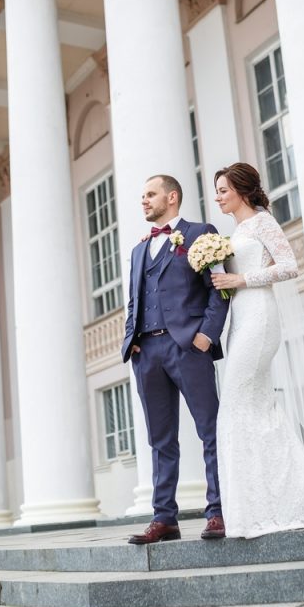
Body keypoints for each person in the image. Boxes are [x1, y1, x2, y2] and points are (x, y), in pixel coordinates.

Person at [210, 163, 304, 538]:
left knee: (238, 405)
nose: (218, 196)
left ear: (241, 189)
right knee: (251, 407)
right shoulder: (237, 230)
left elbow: (289, 266)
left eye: (223, 189)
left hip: (260, 316)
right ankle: (264, 502)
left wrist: (242, 278)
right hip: (240, 320)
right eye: (217, 191)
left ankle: (301, 496)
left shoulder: (262, 222)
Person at [122, 174, 230, 544]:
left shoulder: (201, 234)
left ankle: (217, 511)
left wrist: (205, 336)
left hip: (187, 347)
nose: (144, 201)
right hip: (146, 352)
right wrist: (131, 341)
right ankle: (164, 517)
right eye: (142, 195)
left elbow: (219, 290)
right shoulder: (138, 250)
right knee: (160, 439)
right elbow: (135, 301)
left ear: (171, 197)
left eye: (149, 194)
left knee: (210, 429)